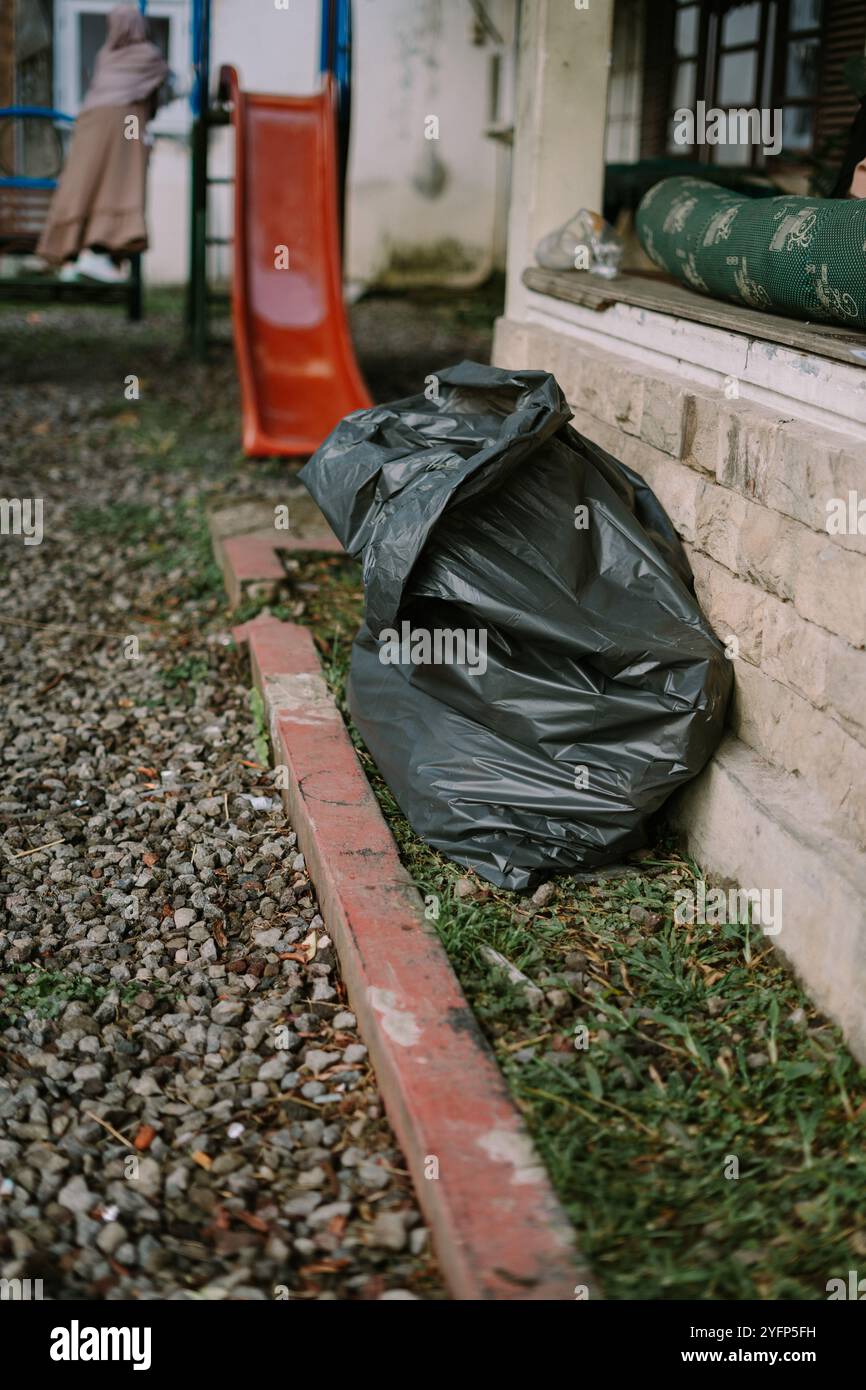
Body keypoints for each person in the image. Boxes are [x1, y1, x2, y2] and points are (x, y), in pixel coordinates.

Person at [37, 5, 169, 283]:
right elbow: (163, 91)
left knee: (84, 183)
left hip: (90, 124)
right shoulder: (147, 56)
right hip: (127, 125)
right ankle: (95, 254)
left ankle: (74, 254)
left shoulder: (106, 56)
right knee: (119, 184)